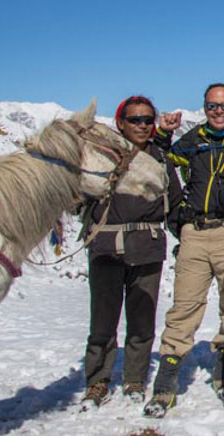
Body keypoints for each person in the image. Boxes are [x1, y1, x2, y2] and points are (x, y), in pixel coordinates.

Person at [144, 82, 224, 417]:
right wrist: (163, 134)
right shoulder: (193, 141)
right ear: (205, 108)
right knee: (185, 305)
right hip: (194, 232)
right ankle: (166, 382)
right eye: (213, 106)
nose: (219, 112)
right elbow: (162, 162)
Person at [79, 96, 182, 409]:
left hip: (146, 246)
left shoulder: (161, 159)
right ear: (120, 123)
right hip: (106, 248)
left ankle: (134, 380)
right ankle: (97, 381)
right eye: (135, 119)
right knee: (102, 321)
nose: (142, 125)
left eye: (147, 120)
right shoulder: (99, 156)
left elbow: (174, 203)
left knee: (141, 320)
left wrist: (188, 237)